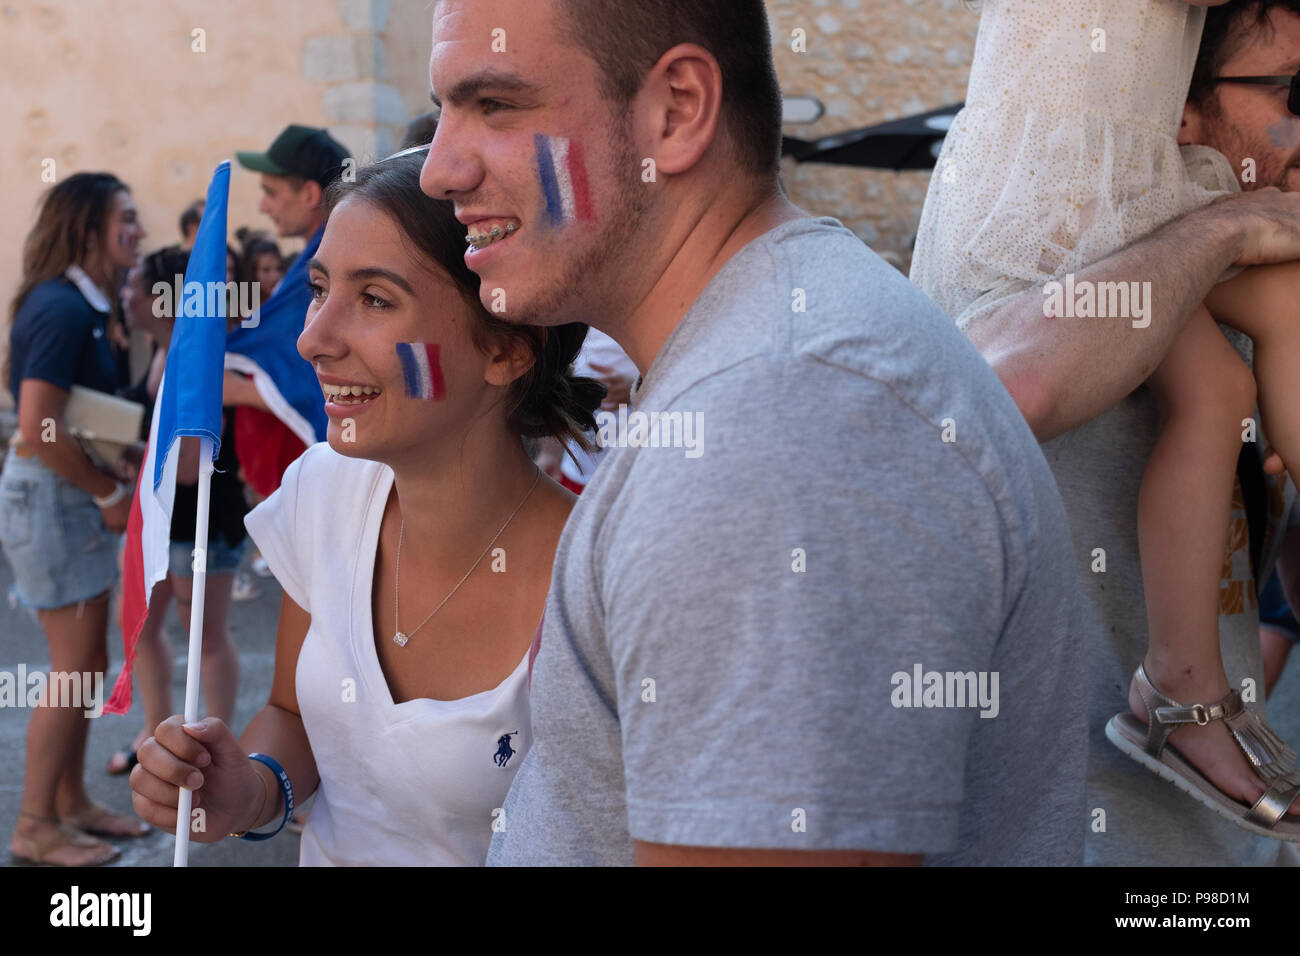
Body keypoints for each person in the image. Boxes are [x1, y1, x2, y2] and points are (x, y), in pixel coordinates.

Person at [420, 0, 1093, 866]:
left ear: (676, 112)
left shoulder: (771, 423)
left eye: (496, 105)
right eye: (445, 110)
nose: (438, 170)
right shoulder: (765, 368)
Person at [128, 148, 604, 865]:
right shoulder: (323, 490)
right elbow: (292, 713)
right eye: (319, 289)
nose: (312, 340)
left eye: (376, 299)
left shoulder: (593, 586)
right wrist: (251, 791)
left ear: (506, 350)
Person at [913, 0, 1300, 865]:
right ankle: (1180, 691)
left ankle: (1182, 686)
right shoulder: (1095, 238)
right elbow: (1001, 395)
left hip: (1214, 854)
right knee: (1241, 361)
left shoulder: (1224, 241)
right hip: (1057, 183)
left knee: (1222, 384)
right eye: (1294, 93)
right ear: (1186, 108)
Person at [2, 172, 150, 865]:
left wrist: (110, 466)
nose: (139, 231)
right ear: (90, 229)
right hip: (54, 495)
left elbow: (71, 414)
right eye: (127, 218)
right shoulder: (62, 306)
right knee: (73, 669)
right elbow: (40, 424)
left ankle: (70, 805)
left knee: (86, 664)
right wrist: (107, 492)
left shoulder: (80, 302)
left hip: (61, 493)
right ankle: (35, 825)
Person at [106, 246, 250, 775]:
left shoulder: (199, 355)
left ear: (162, 298)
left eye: (134, 287)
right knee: (140, 625)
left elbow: (188, 468)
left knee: (205, 634)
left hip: (202, 519)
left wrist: (133, 454)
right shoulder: (161, 346)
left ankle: (216, 747)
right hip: (162, 517)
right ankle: (154, 729)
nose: (125, 296)